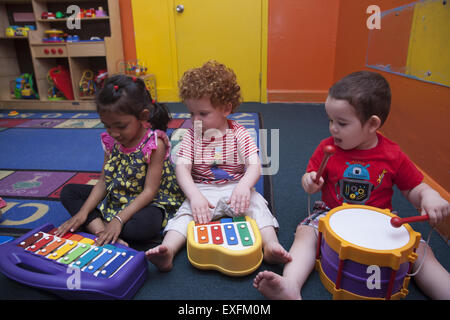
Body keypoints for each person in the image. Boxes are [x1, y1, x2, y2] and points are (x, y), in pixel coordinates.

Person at [253, 71, 450, 300]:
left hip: (381, 218)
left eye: (342, 123)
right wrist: (309, 182)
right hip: (330, 213)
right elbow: (310, 179)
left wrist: (429, 195)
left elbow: (414, 188)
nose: (332, 129)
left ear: (372, 124)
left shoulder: (392, 155)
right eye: (330, 121)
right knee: (305, 232)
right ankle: (290, 284)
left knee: (422, 251)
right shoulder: (327, 147)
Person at [146, 61, 291, 271]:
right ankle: (167, 250)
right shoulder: (192, 135)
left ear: (226, 109)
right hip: (202, 190)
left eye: (203, 114)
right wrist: (195, 196)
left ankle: (270, 246)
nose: (195, 120)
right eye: (191, 113)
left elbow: (254, 166)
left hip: (236, 188)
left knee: (258, 205)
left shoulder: (239, 133)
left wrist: (244, 186)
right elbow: (182, 169)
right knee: (185, 213)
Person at [56, 74, 184, 246]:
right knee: (69, 192)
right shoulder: (110, 141)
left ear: (143, 116)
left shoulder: (155, 144)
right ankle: (102, 232)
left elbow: (149, 192)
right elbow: (103, 181)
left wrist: (118, 219)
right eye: (107, 126)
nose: (114, 133)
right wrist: (83, 212)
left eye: (121, 126)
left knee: (145, 225)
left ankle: (102, 227)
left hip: (150, 200)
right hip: (118, 194)